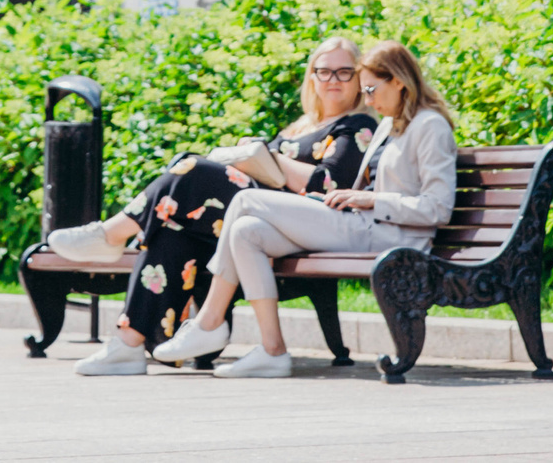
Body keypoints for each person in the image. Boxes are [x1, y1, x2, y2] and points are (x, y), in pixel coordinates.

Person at [44, 36, 378, 375]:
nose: (333, 80)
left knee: (191, 168)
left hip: (293, 219)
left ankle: (111, 234)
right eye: (324, 71)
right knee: (172, 232)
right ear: (312, 77)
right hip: (249, 212)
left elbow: (330, 184)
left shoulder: (358, 125)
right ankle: (127, 344)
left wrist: (271, 156)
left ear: (358, 79)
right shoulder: (300, 127)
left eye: (344, 72)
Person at [154, 39, 458, 378]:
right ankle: (273, 351)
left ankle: (209, 320)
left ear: (399, 80)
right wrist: (340, 198)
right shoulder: (390, 124)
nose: (367, 99)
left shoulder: (430, 126)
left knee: (245, 200)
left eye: (371, 89)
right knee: (246, 232)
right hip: (360, 224)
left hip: (389, 235)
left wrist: (372, 200)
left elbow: (438, 208)